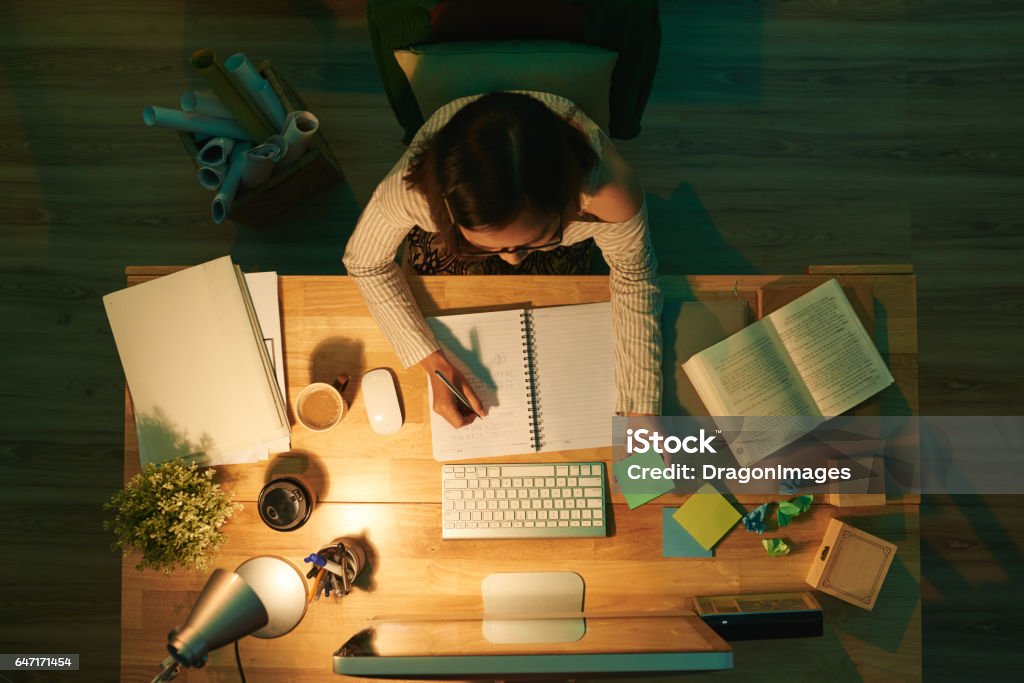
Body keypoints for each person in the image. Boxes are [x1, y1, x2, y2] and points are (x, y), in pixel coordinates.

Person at [343, 91, 662, 428]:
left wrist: (642, 413)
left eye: (532, 241)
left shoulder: (606, 193)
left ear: (571, 205)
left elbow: (635, 275)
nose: (512, 261)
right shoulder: (412, 194)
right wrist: (434, 364)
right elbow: (365, 262)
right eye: (494, 247)